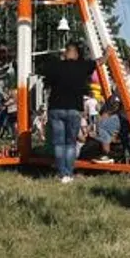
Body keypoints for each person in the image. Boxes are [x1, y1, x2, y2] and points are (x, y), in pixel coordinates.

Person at [37, 42, 94, 184]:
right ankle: (69, 173)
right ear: (76, 54)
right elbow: (97, 63)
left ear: (66, 52)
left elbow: (46, 79)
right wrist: (107, 54)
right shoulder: (82, 66)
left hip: (56, 108)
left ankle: (61, 173)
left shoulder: (56, 66)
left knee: (58, 143)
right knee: (70, 143)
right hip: (74, 109)